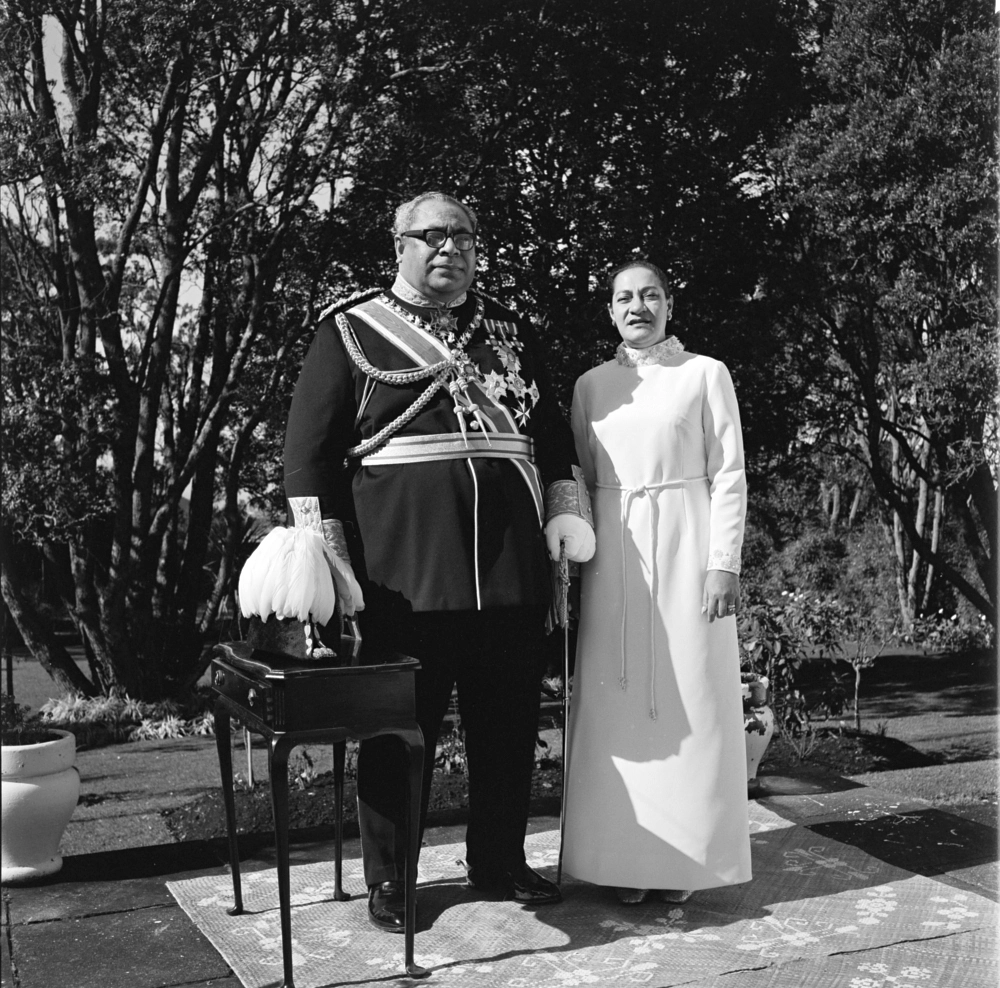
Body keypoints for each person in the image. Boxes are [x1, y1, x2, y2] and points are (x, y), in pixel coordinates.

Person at [282, 191, 595, 932]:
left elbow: (550, 437)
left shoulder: (509, 331)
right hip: (402, 577)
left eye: (462, 234)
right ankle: (392, 882)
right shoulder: (351, 332)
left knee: (509, 725)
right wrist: (329, 562)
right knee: (397, 735)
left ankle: (499, 860)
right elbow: (308, 457)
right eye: (430, 235)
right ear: (399, 247)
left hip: (510, 570)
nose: (448, 247)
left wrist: (564, 509)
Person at [561, 259, 751, 904]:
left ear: (669, 304)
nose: (636, 306)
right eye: (623, 297)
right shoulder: (590, 386)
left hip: (688, 553)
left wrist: (723, 561)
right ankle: (624, 860)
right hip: (614, 563)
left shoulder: (706, 374)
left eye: (649, 295)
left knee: (691, 698)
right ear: (610, 310)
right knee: (616, 706)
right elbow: (580, 482)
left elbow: (728, 474)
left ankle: (687, 864)